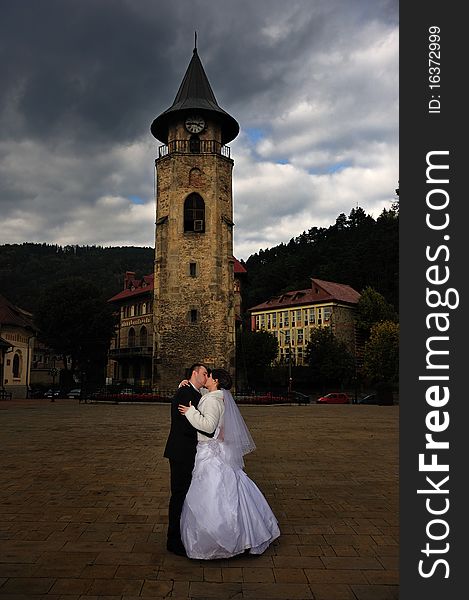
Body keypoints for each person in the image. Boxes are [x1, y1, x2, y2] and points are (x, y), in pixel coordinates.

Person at [178, 368, 280, 559]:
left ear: (215, 380)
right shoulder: (216, 396)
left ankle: (221, 540)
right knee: (228, 491)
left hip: (209, 451)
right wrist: (184, 385)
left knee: (213, 495)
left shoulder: (213, 399)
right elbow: (204, 398)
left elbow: (208, 426)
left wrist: (191, 412)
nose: (205, 377)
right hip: (214, 450)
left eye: (208, 375)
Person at [163, 363, 210, 556]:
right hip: (182, 452)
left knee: (185, 495)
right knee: (179, 495)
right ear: (194, 373)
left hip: (188, 451)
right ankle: (173, 540)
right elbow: (187, 424)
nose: (207, 377)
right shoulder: (185, 393)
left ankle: (183, 534)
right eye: (205, 373)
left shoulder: (194, 392)